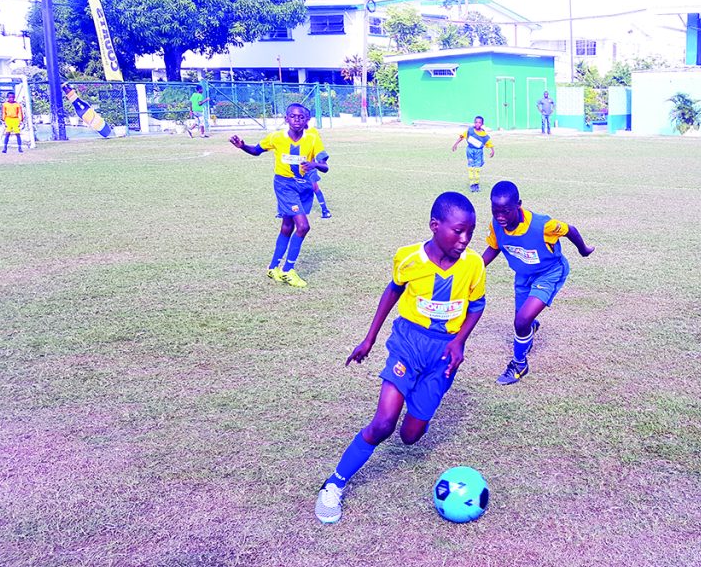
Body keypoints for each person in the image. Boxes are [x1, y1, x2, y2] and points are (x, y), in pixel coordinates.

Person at [315, 192, 487, 524]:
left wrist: (460, 342)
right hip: (408, 343)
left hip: (443, 354)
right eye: (458, 231)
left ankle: (417, 402)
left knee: (410, 437)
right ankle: (334, 484)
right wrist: (370, 338)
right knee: (383, 425)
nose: (465, 240)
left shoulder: (474, 265)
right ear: (435, 226)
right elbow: (392, 291)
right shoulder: (408, 258)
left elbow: (477, 305)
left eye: (471, 232)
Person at [481, 180, 594, 385]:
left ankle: (519, 364)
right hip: (523, 277)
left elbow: (570, 230)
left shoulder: (543, 225)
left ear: (519, 205)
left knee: (521, 321)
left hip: (549, 273)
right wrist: (475, 269)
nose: (500, 217)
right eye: (495, 210)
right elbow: (494, 248)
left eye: (505, 211)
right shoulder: (496, 224)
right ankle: (530, 328)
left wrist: (583, 250)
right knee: (521, 322)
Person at [228, 103, 328, 288]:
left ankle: (273, 267)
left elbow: (325, 166)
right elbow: (256, 150)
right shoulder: (276, 137)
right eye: (293, 116)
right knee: (303, 226)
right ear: (286, 118)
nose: (297, 119)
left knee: (287, 226)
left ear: (306, 120)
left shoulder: (313, 138)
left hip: (304, 187)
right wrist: (242, 146)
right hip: (284, 186)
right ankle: (287, 270)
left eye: (301, 117)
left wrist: (314, 165)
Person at [452, 116, 495, 193]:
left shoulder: (484, 135)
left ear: (482, 124)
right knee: (471, 167)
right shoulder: (470, 131)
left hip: (479, 152)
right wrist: (455, 144)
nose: (477, 124)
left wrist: (492, 150)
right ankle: (472, 184)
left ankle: (476, 183)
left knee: (477, 168)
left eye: (479, 122)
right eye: (476, 122)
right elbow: (461, 137)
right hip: (470, 151)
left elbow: (489, 143)